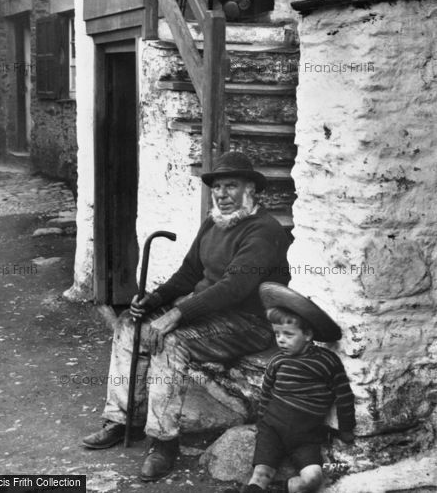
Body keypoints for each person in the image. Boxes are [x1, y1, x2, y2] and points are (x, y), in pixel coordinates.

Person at [82, 152, 291, 483]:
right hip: (209, 314)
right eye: (217, 187)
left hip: (248, 324)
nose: (221, 194)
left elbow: (234, 287)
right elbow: (189, 272)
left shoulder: (264, 231)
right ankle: (123, 419)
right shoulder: (213, 222)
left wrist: (179, 312)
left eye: (231, 186)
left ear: (250, 189)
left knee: (170, 341)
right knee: (129, 325)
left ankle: (163, 442)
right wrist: (155, 299)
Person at [242, 283, 356, 493]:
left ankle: (284, 488)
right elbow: (265, 392)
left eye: (288, 334)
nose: (281, 340)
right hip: (273, 430)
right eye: (277, 334)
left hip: (307, 437)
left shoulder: (327, 362)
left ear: (308, 335)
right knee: (260, 475)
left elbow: (344, 396)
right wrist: (261, 420)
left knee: (313, 479)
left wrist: (346, 428)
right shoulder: (277, 361)